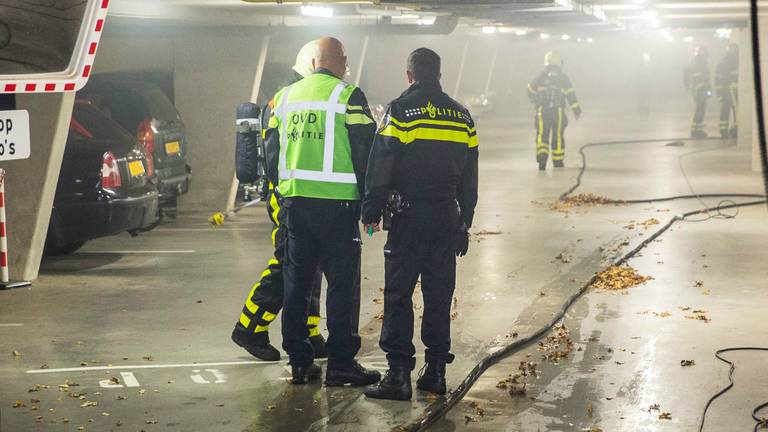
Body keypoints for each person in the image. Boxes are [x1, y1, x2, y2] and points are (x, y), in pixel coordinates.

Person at [361, 48, 478, 401]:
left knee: (399, 295)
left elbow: (381, 163)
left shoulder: (399, 110)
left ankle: (398, 376)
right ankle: (436, 373)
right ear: (439, 75)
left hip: (409, 219)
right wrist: (465, 223)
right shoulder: (462, 116)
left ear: (409, 75)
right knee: (439, 296)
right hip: (447, 218)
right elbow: (470, 179)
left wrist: (371, 209)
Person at [265, 36, 381, 386]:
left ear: (313, 63)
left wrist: (283, 193)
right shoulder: (348, 95)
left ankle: (299, 362)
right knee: (342, 287)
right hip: (338, 207)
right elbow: (367, 153)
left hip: (295, 205)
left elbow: (271, 153)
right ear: (341, 62)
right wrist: (371, 203)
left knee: (297, 284)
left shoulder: (284, 97)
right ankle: (342, 364)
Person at [231, 40, 327, 362]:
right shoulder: (285, 98)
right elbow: (276, 156)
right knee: (289, 261)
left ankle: (310, 331)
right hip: (285, 194)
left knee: (311, 264)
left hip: (298, 193)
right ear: (313, 65)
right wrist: (285, 196)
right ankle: (250, 327)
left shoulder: (298, 93)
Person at [526, 51, 581, 170]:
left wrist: (537, 99)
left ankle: (542, 161)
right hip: (558, 112)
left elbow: (529, 89)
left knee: (542, 135)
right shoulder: (563, 77)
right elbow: (571, 94)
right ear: (559, 63)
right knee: (558, 136)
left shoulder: (541, 76)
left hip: (542, 111)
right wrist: (576, 110)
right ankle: (558, 162)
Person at [684, 46, 711, 138]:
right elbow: (697, 75)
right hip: (699, 89)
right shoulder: (699, 62)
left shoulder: (700, 62)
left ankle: (698, 130)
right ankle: (695, 130)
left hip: (702, 89)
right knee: (700, 109)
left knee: (701, 109)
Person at [715, 43, 739, 139]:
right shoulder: (727, 61)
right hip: (728, 89)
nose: (734, 51)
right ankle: (725, 130)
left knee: (735, 111)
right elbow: (722, 77)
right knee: (729, 110)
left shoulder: (732, 60)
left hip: (731, 90)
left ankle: (731, 130)